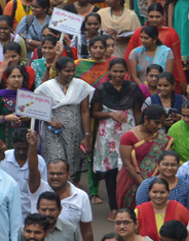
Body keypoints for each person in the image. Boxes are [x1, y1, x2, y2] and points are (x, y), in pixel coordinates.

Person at [91, 58, 145, 211]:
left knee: (128, 169)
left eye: (121, 71)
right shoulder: (101, 89)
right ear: (109, 72)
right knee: (110, 171)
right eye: (115, 71)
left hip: (127, 132)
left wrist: (139, 133)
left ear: (126, 72)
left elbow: (137, 112)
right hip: (107, 135)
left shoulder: (133, 88)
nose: (118, 74)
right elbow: (94, 113)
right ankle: (113, 208)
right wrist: (110, 114)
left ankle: (127, 206)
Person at [35, 58, 93, 184]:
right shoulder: (46, 87)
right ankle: (53, 192)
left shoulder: (81, 86)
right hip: (53, 133)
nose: (71, 74)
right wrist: (50, 120)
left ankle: (68, 193)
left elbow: (85, 112)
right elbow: (36, 108)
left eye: (73, 71)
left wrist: (87, 135)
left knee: (70, 165)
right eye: (67, 71)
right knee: (56, 161)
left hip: (74, 134)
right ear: (58, 71)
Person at [117, 104, 172, 209]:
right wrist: (144, 185)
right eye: (156, 123)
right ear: (146, 119)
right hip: (131, 182)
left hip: (156, 184)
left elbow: (166, 161)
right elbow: (127, 164)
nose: (160, 127)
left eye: (162, 123)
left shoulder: (163, 139)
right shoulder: (129, 137)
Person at [125, 4, 186, 92]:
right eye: (151, 16)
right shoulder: (139, 32)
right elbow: (129, 55)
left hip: (163, 77)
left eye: (157, 16)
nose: (154, 19)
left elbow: (176, 59)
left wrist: (181, 78)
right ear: (147, 16)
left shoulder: (171, 33)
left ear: (163, 16)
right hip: (141, 77)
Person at [44, 159, 94, 241]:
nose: (55, 177)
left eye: (59, 174)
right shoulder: (39, 191)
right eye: (51, 174)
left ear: (68, 175)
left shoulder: (81, 196)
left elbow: (86, 230)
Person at [1, 128, 48, 219]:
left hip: (30, 213)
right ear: (12, 144)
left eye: (25, 149)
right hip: (6, 212)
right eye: (18, 148)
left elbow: (43, 189)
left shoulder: (40, 161)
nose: (21, 152)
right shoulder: (3, 158)